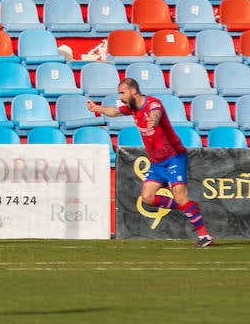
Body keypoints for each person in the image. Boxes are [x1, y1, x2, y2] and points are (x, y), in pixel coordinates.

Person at [87, 78, 213, 247]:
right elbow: (115, 111)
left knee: (180, 196)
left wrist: (154, 119)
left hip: (174, 157)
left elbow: (156, 112)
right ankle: (188, 207)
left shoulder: (153, 104)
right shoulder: (132, 109)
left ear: (133, 91)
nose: (121, 97)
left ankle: (205, 236)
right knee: (147, 198)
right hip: (157, 162)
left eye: (122, 93)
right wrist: (97, 108)